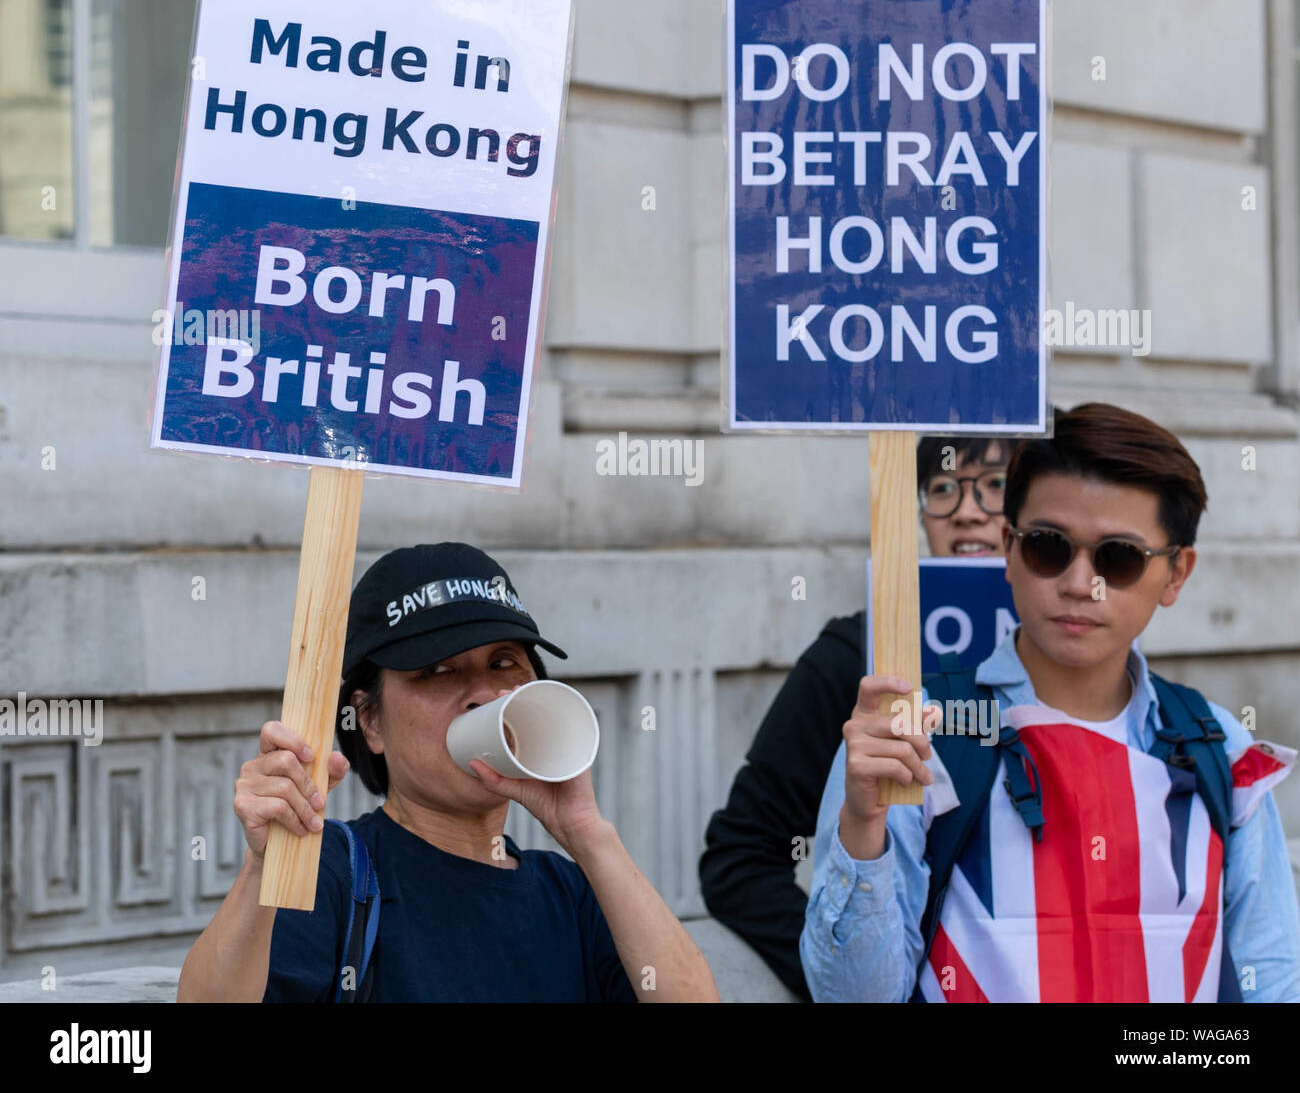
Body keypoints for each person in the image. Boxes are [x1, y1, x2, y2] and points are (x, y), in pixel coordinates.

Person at [801, 402, 1300, 1002]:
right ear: (1009, 550)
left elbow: (1272, 979)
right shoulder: (915, 732)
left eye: (1117, 557)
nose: (1077, 583)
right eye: (1047, 546)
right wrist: (862, 826)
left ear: (1176, 574)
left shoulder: (1223, 746)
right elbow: (855, 998)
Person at [178, 541, 719, 1003]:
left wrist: (589, 834)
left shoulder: (570, 889)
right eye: (438, 671)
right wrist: (261, 869)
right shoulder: (330, 873)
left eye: (503, 663)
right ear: (370, 723)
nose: (482, 695)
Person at [699, 431, 1011, 998]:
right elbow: (740, 860)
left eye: (997, 486)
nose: (968, 512)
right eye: (942, 488)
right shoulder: (854, 658)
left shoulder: (1093, 663)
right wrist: (850, 972)